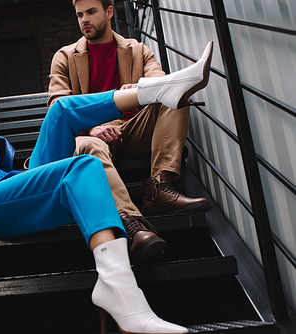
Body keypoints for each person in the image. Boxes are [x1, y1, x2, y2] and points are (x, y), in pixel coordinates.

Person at [0, 43, 213, 333]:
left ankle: (157, 90)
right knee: (82, 167)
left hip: (10, 182)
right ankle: (122, 290)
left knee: (62, 110)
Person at [48, 0, 213, 264]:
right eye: (79, 15)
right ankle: (132, 225)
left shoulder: (136, 50)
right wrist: (91, 127)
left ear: (109, 11)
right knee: (89, 147)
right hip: (91, 135)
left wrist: (139, 88)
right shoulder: (65, 56)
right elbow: (57, 104)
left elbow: (160, 81)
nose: (84, 20)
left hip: (134, 129)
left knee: (175, 95)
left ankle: (160, 188)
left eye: (91, 12)